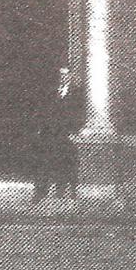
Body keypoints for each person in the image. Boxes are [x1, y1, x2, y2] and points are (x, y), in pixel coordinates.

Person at [32, 66, 85, 202]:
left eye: (66, 75)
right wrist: (40, 128)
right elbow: (42, 111)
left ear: (71, 77)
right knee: (44, 162)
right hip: (49, 133)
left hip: (66, 134)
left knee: (64, 163)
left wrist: (75, 131)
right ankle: (40, 192)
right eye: (61, 75)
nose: (63, 78)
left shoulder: (77, 93)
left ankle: (62, 192)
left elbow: (80, 114)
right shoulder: (50, 92)